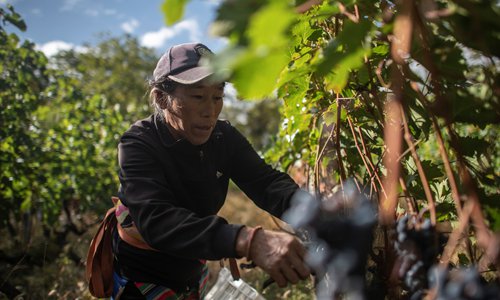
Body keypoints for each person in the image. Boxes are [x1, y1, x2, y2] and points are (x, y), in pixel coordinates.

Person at [111, 42, 311, 299]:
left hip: (193, 266)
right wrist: (248, 240)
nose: (210, 111)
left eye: (217, 97)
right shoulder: (139, 143)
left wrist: (313, 212)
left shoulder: (222, 137)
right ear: (162, 98)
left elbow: (265, 182)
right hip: (143, 278)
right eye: (197, 97)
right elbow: (157, 219)